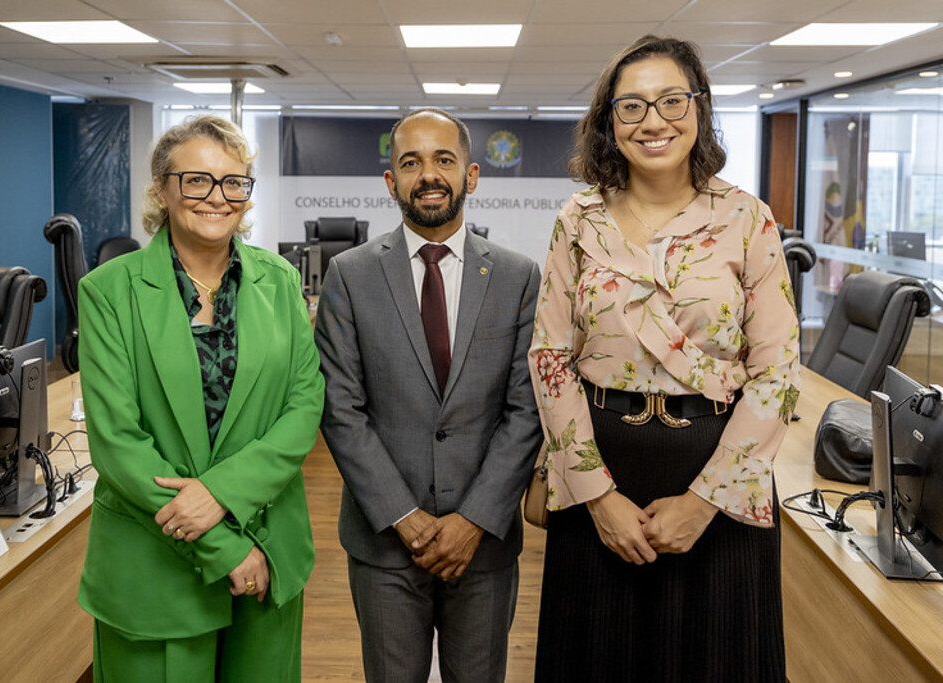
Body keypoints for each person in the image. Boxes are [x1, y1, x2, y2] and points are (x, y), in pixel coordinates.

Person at [529, 36, 800, 682]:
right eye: (631, 107)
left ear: (699, 108)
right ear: (608, 123)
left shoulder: (746, 218)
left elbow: (778, 370)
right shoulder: (579, 220)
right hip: (600, 472)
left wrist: (703, 501)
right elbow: (549, 360)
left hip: (719, 478)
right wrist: (599, 497)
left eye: (671, 100)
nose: (653, 120)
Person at [77, 115, 324, 682]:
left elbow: (303, 405)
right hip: (154, 562)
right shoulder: (109, 291)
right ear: (162, 189)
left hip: (268, 547)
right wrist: (223, 545)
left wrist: (220, 494)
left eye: (234, 182)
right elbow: (118, 443)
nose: (217, 197)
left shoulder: (282, 281)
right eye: (197, 180)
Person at [315, 108, 542, 683]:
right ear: (391, 182)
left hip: (483, 543)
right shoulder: (349, 275)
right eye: (411, 162)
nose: (429, 174)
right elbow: (341, 409)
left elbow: (526, 410)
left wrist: (473, 519)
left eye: (444, 159)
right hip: (384, 544)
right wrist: (405, 517)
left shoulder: (519, 277)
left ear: (471, 175)